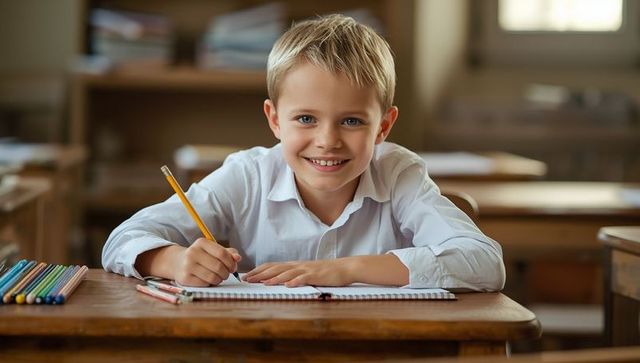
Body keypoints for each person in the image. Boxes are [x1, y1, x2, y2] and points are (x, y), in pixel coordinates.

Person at [102, 14, 505, 291]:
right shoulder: (247, 177)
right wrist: (172, 261)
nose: (327, 140)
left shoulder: (399, 174)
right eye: (306, 119)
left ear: (384, 126)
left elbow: (484, 262)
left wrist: (343, 271)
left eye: (351, 121)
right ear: (275, 119)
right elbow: (122, 239)